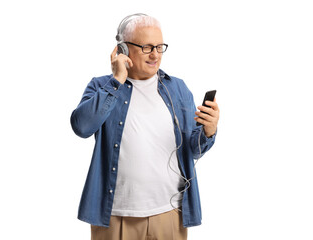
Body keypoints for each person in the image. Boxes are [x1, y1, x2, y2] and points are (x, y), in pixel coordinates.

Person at [70, 13, 220, 240]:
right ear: (122, 49)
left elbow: (193, 150)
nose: (155, 55)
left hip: (169, 214)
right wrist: (117, 80)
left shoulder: (178, 88)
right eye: (147, 47)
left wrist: (208, 131)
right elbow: (82, 126)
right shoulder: (102, 86)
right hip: (115, 215)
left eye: (160, 47)